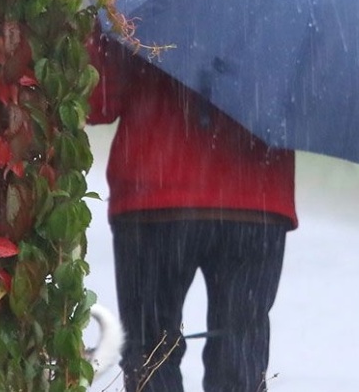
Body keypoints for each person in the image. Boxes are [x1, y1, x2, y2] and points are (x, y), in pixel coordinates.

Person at [86, 29, 297, 392]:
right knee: (240, 355)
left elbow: (97, 101)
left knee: (151, 353)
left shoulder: (141, 0)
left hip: (156, 195)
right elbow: (306, 105)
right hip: (256, 199)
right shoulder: (289, 10)